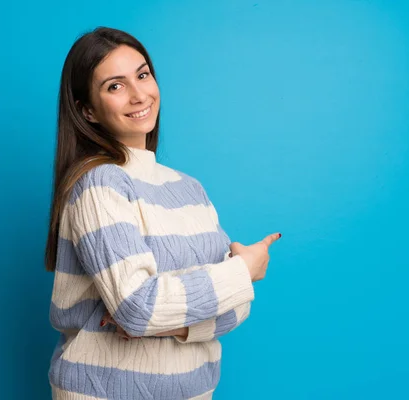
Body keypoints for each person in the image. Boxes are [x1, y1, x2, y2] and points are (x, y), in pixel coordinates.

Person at [44, 26, 281, 400]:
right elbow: (139, 307)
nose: (139, 94)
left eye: (142, 75)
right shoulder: (99, 185)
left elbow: (236, 310)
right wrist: (243, 270)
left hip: (195, 391)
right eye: (115, 86)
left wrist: (170, 325)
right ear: (87, 110)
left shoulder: (190, 189)